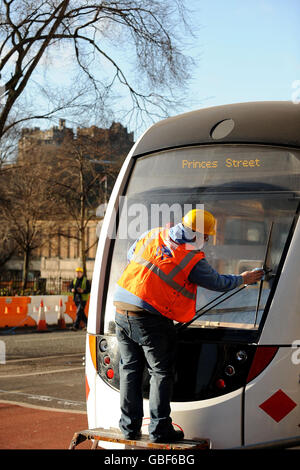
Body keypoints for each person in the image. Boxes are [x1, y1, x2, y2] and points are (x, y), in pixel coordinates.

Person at [113, 209, 264, 443]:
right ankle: (159, 430)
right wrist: (244, 278)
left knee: (130, 370)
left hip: (121, 308)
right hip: (149, 317)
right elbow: (218, 282)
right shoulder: (190, 258)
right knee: (161, 372)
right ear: (197, 234)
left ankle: (129, 428)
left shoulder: (155, 234)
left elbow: (133, 254)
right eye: (206, 236)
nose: (207, 240)